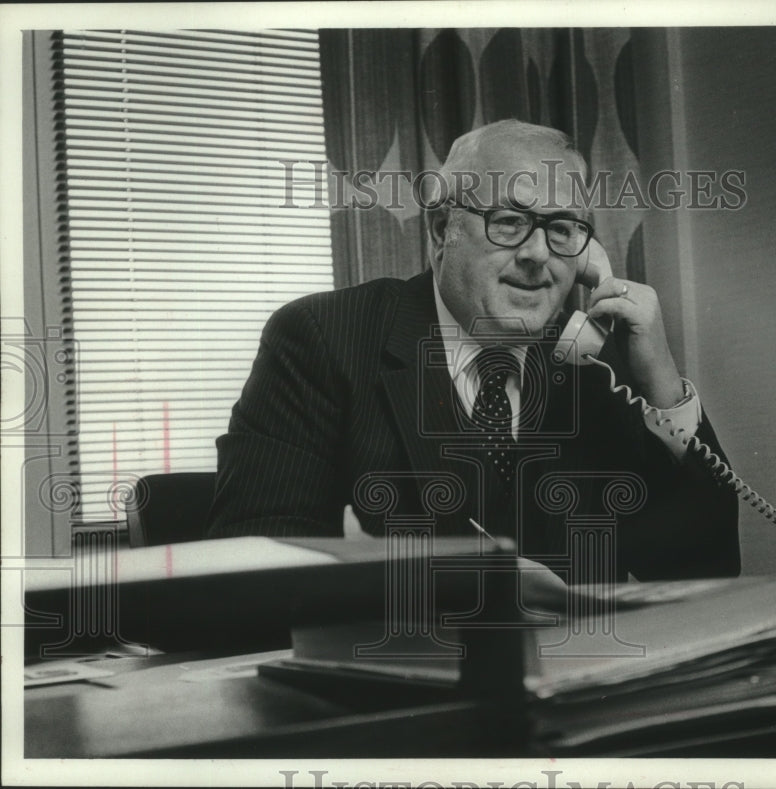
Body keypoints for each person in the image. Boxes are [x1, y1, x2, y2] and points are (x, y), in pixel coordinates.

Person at [207, 119, 739, 581]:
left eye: (563, 229)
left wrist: (663, 388)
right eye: (509, 221)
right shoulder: (322, 338)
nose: (537, 254)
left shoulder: (593, 364)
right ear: (442, 230)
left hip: (574, 682)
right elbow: (257, 556)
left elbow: (703, 570)